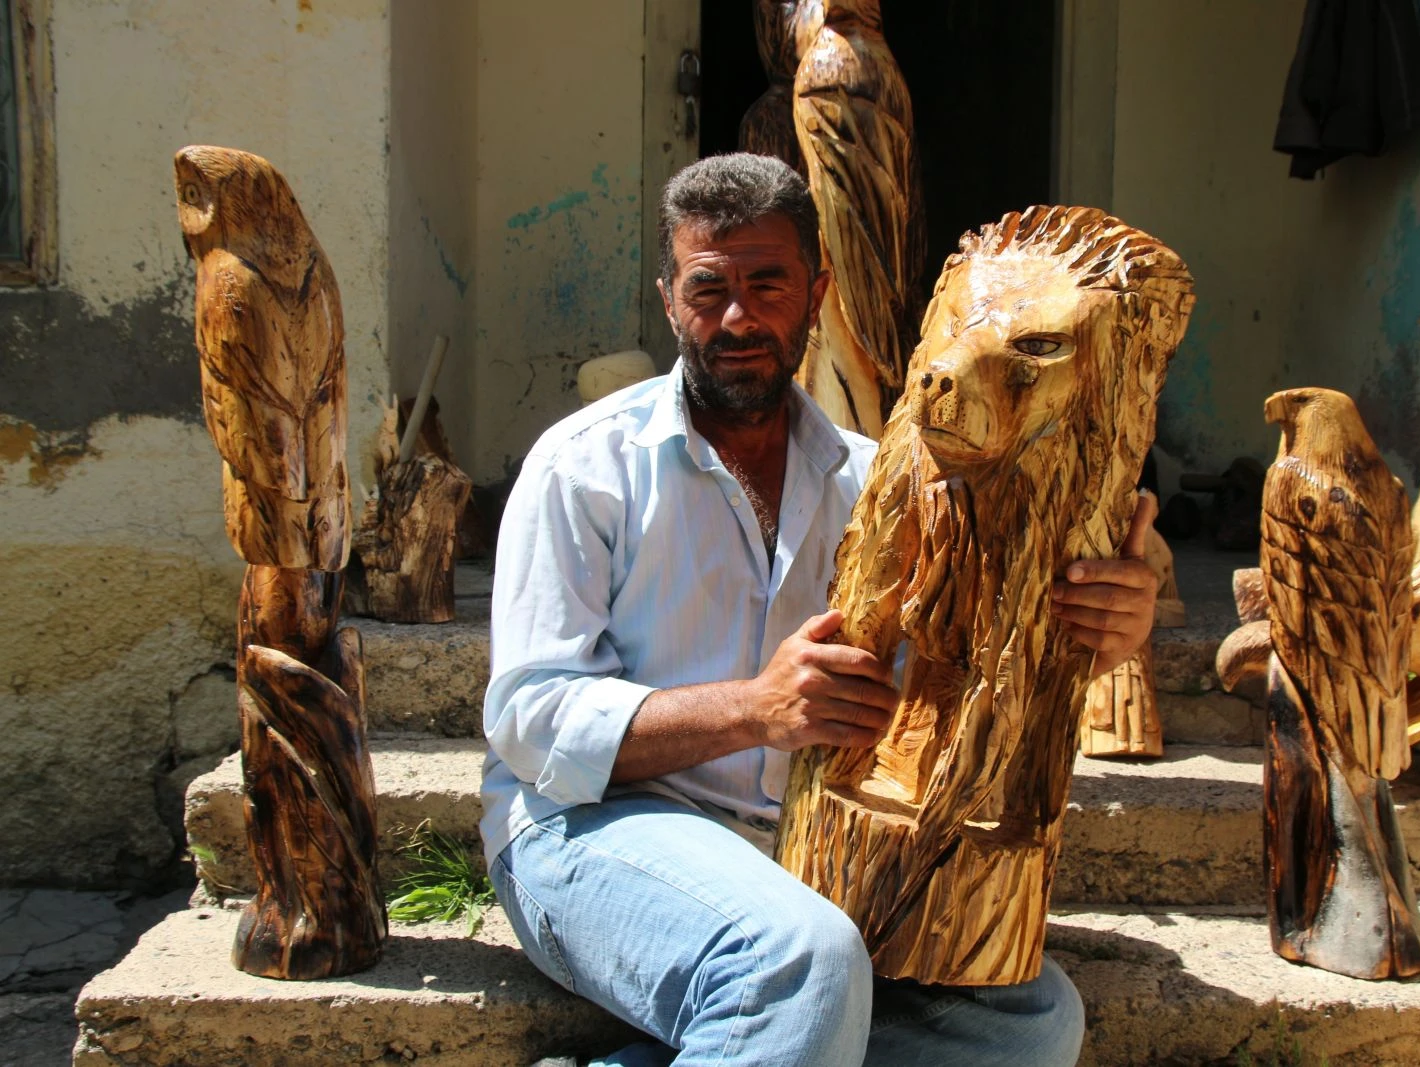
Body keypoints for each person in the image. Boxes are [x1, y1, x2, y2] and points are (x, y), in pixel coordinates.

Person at [482, 153, 1159, 1067]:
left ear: (817, 291)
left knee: (1030, 1021)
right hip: (591, 832)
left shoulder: (876, 477)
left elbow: (948, 673)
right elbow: (528, 718)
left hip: (799, 850)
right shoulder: (585, 466)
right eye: (706, 287)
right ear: (668, 297)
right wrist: (754, 708)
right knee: (800, 957)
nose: (736, 316)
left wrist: (1105, 627)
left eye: (768, 283)